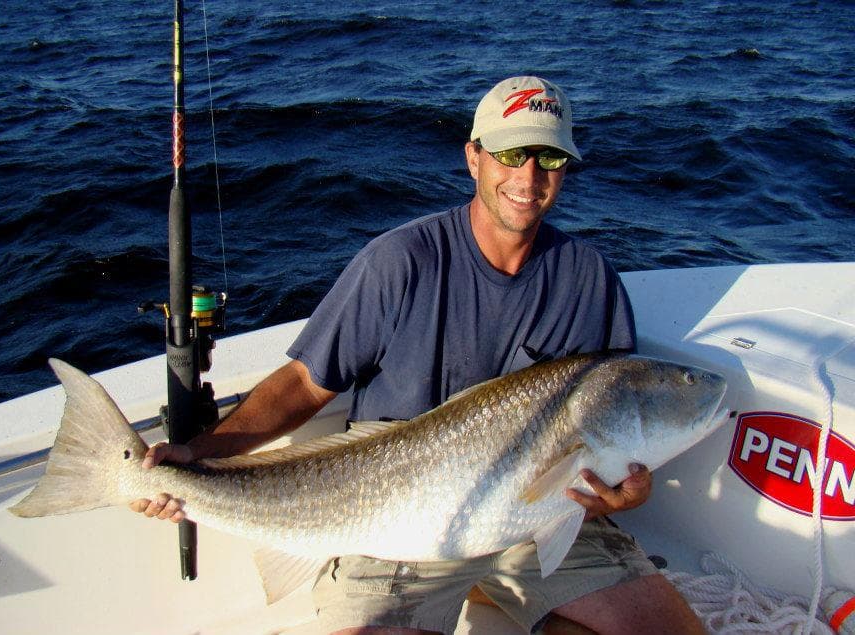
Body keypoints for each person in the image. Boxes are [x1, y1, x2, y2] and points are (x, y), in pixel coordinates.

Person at [130, 76, 706, 635]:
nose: (528, 177)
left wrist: (627, 494)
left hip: (547, 520)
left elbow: (609, 423)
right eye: (511, 154)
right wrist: (195, 455)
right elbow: (306, 384)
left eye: (548, 159)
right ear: (474, 158)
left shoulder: (588, 279)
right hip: (389, 518)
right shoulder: (401, 261)